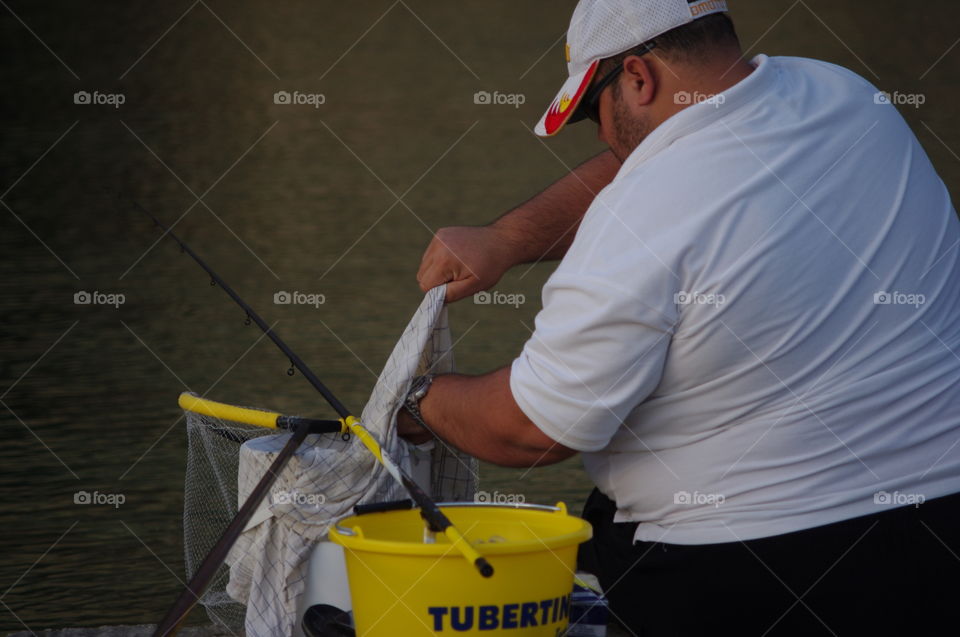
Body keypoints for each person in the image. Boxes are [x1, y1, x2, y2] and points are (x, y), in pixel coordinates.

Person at [398, 0, 960, 634]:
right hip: (942, 533)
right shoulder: (846, 96)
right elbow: (656, 155)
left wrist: (419, 401)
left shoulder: (639, 219)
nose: (602, 135)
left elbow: (534, 430)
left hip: (749, 570)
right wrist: (504, 241)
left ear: (638, 76)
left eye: (593, 111)